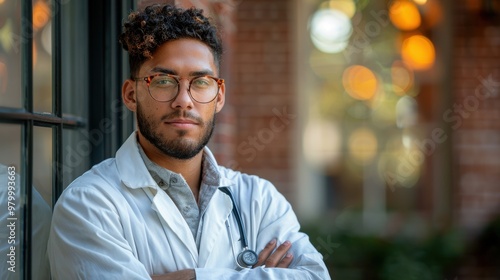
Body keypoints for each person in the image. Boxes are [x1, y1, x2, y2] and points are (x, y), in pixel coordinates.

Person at [48, 4, 330, 280]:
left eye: (201, 82)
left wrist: (192, 277)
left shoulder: (259, 200)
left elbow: (315, 276)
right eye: (163, 81)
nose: (183, 100)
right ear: (131, 94)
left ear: (219, 96)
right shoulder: (89, 205)